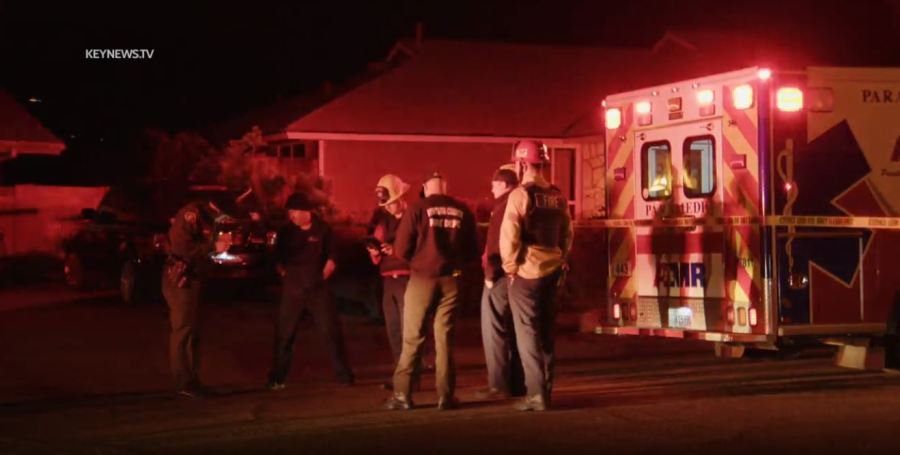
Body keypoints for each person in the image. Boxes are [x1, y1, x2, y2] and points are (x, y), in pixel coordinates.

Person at [384, 171, 479, 411]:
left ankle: (402, 395)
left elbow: (401, 249)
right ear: (445, 187)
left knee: (412, 337)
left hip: (421, 279)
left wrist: (418, 260)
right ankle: (445, 396)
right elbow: (473, 251)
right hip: (451, 281)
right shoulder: (463, 210)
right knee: (444, 339)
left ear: (426, 188)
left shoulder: (417, 208)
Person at [500, 140, 573, 411]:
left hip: (526, 273)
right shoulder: (557, 195)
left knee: (527, 334)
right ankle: (547, 390)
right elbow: (567, 233)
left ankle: (536, 394)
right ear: (543, 163)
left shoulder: (520, 195)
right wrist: (562, 258)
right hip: (553, 272)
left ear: (520, 164)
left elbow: (509, 236)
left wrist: (510, 268)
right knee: (546, 333)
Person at [266, 191, 354, 390]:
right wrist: (282, 272)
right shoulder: (287, 231)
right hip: (293, 287)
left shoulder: (323, 230)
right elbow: (277, 257)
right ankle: (277, 378)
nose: (292, 216)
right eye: (290, 213)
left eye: (295, 212)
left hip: (317, 287)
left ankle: (344, 375)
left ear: (306, 211)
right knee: (284, 334)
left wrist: (323, 274)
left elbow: (333, 257)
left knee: (330, 331)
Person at [162, 199, 229, 398]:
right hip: (181, 276)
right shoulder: (190, 215)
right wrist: (213, 246)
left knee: (192, 330)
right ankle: (183, 381)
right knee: (183, 330)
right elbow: (183, 248)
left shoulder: (209, 215)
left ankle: (191, 379)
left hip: (194, 277)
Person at [476, 164, 526, 400]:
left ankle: (497, 385)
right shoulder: (524, 202)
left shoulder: (502, 207)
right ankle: (518, 383)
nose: (492, 188)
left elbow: (497, 243)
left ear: (505, 185)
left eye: (495, 184)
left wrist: (489, 275)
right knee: (517, 331)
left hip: (500, 277)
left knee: (494, 329)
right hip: (521, 276)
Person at [367, 174, 414, 390]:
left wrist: (396, 251)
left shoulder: (413, 218)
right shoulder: (383, 221)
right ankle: (400, 374)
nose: (387, 207)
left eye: (390, 202)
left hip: (407, 279)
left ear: (400, 197)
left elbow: (420, 248)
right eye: (384, 203)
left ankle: (410, 377)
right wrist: (374, 251)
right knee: (394, 329)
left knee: (408, 330)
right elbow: (376, 250)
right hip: (389, 281)